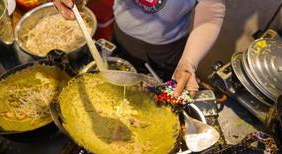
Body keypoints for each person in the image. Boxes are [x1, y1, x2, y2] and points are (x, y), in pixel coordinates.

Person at [53, 0, 226, 96]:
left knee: (159, 96)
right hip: (122, 32)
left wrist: (188, 62)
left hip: (168, 48)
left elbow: (211, 9)